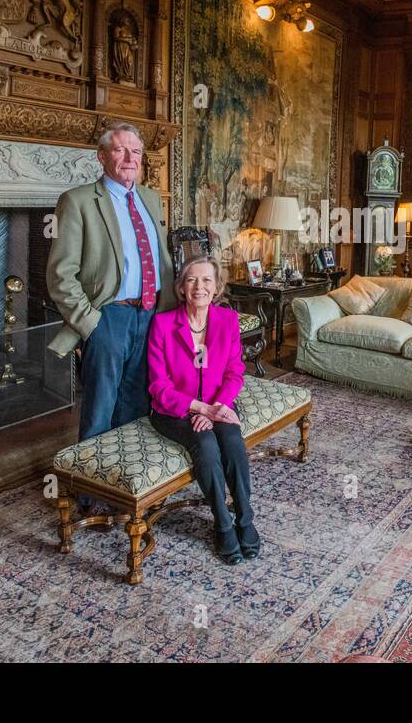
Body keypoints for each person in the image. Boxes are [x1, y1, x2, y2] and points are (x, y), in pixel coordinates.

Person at [46, 123, 175, 512]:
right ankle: (88, 492)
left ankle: (123, 487)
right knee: (100, 406)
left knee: (136, 403)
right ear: (102, 157)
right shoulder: (79, 201)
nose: (129, 158)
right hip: (109, 318)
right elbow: (60, 274)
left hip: (151, 314)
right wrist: (90, 323)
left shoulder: (152, 199)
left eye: (135, 152)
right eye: (119, 151)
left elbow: (161, 258)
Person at [146, 256, 257, 565]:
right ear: (182, 287)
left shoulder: (227, 320)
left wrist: (218, 407)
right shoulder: (163, 324)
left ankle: (245, 519)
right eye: (192, 280)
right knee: (206, 445)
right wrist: (200, 409)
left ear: (217, 286)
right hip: (173, 412)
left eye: (207, 280)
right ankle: (223, 524)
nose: (200, 287)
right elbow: (159, 386)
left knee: (232, 440)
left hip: (217, 404)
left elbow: (235, 371)